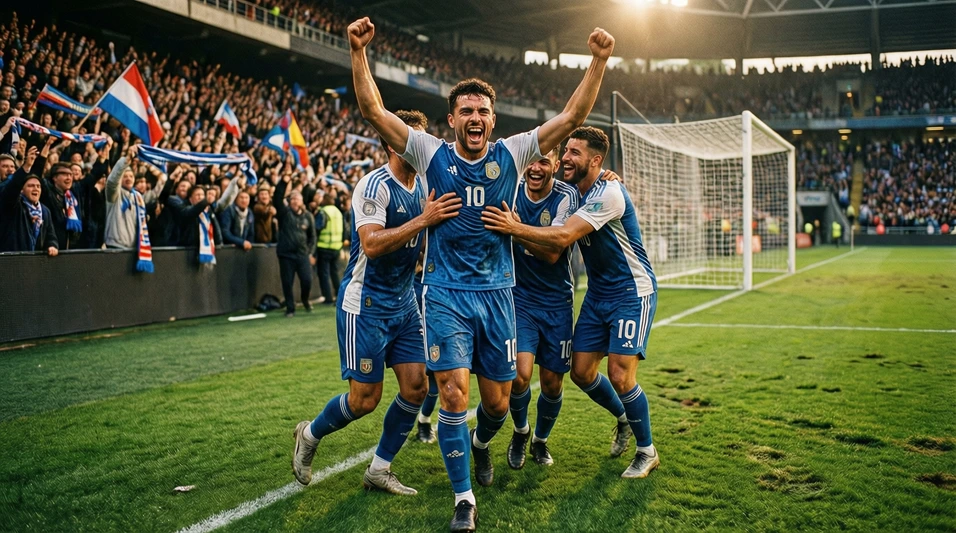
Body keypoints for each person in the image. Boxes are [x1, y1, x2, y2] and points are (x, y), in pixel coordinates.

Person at [348, 16, 614, 531]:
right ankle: (463, 500)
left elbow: (573, 114)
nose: (475, 117)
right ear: (452, 119)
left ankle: (482, 441)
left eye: (483, 111)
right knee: (451, 392)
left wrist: (599, 61)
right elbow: (373, 110)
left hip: (498, 295)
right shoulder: (430, 153)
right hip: (445, 292)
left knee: (499, 399)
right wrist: (359, 51)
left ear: (493, 121)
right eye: (466, 110)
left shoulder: (514, 153)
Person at [292, 109, 461, 495]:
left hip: (405, 303)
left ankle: (379, 469)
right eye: (407, 138)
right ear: (390, 142)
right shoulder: (374, 185)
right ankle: (310, 434)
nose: (417, 147)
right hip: (364, 304)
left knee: (417, 388)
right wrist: (423, 221)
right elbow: (371, 243)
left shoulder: (425, 185)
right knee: (364, 400)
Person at [482, 127, 660, 480]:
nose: (565, 158)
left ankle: (646, 450)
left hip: (630, 291)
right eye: (565, 151)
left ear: (595, 160)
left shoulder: (608, 193)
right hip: (596, 294)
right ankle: (623, 418)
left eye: (574, 153)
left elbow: (562, 238)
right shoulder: (573, 191)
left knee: (620, 374)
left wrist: (514, 228)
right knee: (580, 372)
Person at [504, 147, 580, 469]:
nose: (535, 169)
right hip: (520, 299)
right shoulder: (510, 190)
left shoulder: (566, 197)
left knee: (552, 382)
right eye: (531, 162)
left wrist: (517, 230)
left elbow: (553, 252)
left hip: (557, 301)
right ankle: (521, 432)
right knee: (519, 376)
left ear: (555, 165)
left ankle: (541, 441)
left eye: (543, 162)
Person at [104, 145, 167, 249]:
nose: (128, 178)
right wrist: (127, 159)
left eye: (131, 176)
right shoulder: (115, 193)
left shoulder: (138, 197)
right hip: (115, 245)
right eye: (125, 176)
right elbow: (112, 181)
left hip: (135, 247)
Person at [0, 146, 58, 255]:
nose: (35, 188)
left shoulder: (45, 211)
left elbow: (51, 236)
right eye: (31, 186)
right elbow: (12, 189)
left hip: (34, 263)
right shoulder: (15, 205)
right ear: (21, 190)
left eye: (38, 186)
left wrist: (52, 245)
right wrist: (26, 166)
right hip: (11, 262)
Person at [274, 174, 316, 317]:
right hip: (286, 255)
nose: (294, 201)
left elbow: (312, 237)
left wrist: (310, 252)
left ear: (302, 201)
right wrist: (283, 182)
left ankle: (304, 299)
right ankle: (290, 308)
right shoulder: (284, 213)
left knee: (307, 280)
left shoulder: (308, 216)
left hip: (303, 254)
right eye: (292, 199)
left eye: (297, 199)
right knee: (287, 283)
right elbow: (277, 198)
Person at [314, 191, 346, 305]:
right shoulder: (338, 212)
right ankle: (339, 296)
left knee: (324, 274)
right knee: (335, 273)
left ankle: (328, 298)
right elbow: (344, 229)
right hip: (336, 246)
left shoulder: (323, 212)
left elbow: (318, 227)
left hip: (324, 246)